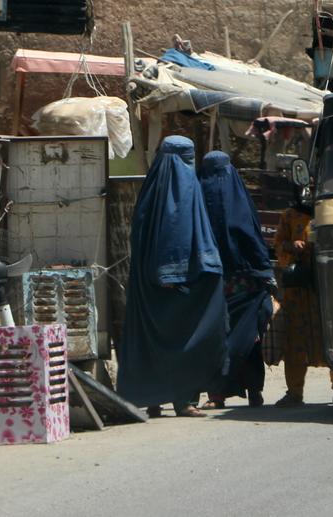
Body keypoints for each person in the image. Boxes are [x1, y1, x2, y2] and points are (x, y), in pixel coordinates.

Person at [117, 136, 226, 418]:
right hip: (177, 283)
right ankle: (182, 401)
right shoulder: (184, 187)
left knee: (153, 340)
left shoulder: (150, 191)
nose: (189, 165)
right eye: (187, 159)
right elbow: (177, 234)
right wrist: (173, 273)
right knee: (185, 338)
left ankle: (155, 399)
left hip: (148, 285)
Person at [197, 151, 280, 410]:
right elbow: (252, 238)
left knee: (219, 339)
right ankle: (253, 391)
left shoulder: (199, 197)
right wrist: (265, 273)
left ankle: (218, 394)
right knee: (248, 339)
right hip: (245, 283)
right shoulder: (239, 198)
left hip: (214, 283)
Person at [273, 185, 327, 407]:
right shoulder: (289, 216)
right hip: (296, 291)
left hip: (324, 287)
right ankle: (295, 393)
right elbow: (277, 245)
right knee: (294, 339)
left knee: (330, 335)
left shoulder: (329, 211)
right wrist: (291, 245)